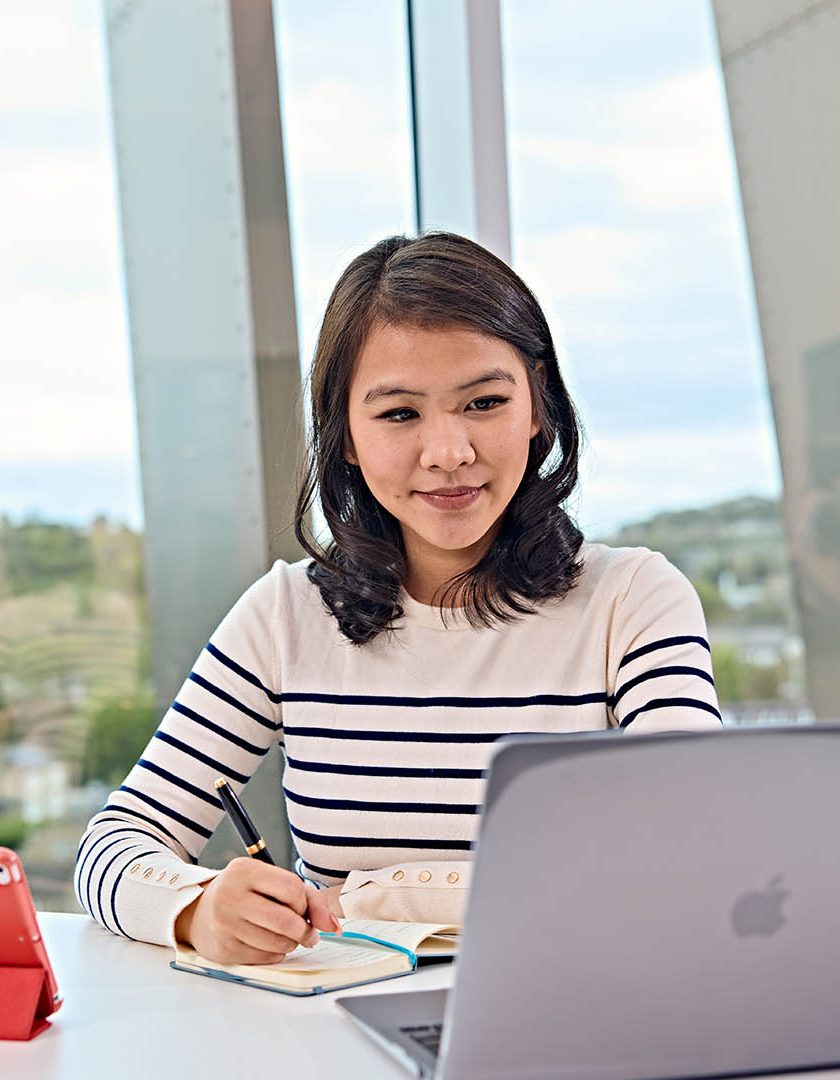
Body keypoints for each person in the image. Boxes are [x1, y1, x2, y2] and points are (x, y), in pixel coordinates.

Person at [73, 231, 723, 965]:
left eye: (483, 402)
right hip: (332, 1032)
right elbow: (110, 849)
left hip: (572, 1012)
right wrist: (196, 908)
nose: (448, 452)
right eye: (399, 414)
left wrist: (375, 898)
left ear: (538, 403)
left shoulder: (633, 602)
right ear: (345, 434)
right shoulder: (285, 616)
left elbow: (695, 846)